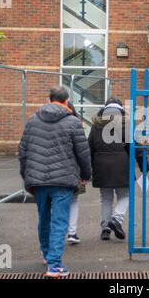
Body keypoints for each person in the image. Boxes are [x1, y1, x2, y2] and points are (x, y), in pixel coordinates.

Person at [19, 87, 91, 278]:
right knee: (60, 222)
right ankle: (55, 266)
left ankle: (46, 255)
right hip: (64, 181)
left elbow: (23, 152)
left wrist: (26, 176)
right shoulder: (74, 122)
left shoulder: (32, 121)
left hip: (38, 181)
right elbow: (83, 154)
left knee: (44, 219)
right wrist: (86, 175)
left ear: (49, 99)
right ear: (67, 101)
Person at [88, 97, 149, 241]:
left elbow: (89, 147)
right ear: (121, 109)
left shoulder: (96, 125)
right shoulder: (126, 124)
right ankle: (116, 219)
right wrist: (144, 166)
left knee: (106, 198)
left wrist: (89, 168)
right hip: (122, 166)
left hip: (101, 166)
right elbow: (135, 148)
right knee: (125, 196)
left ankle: (105, 229)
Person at [66, 101, 84, 245]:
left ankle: (55, 234)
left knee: (54, 203)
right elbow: (82, 152)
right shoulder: (77, 124)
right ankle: (72, 232)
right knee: (73, 201)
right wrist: (85, 174)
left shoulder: (43, 122)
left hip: (49, 173)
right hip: (73, 170)